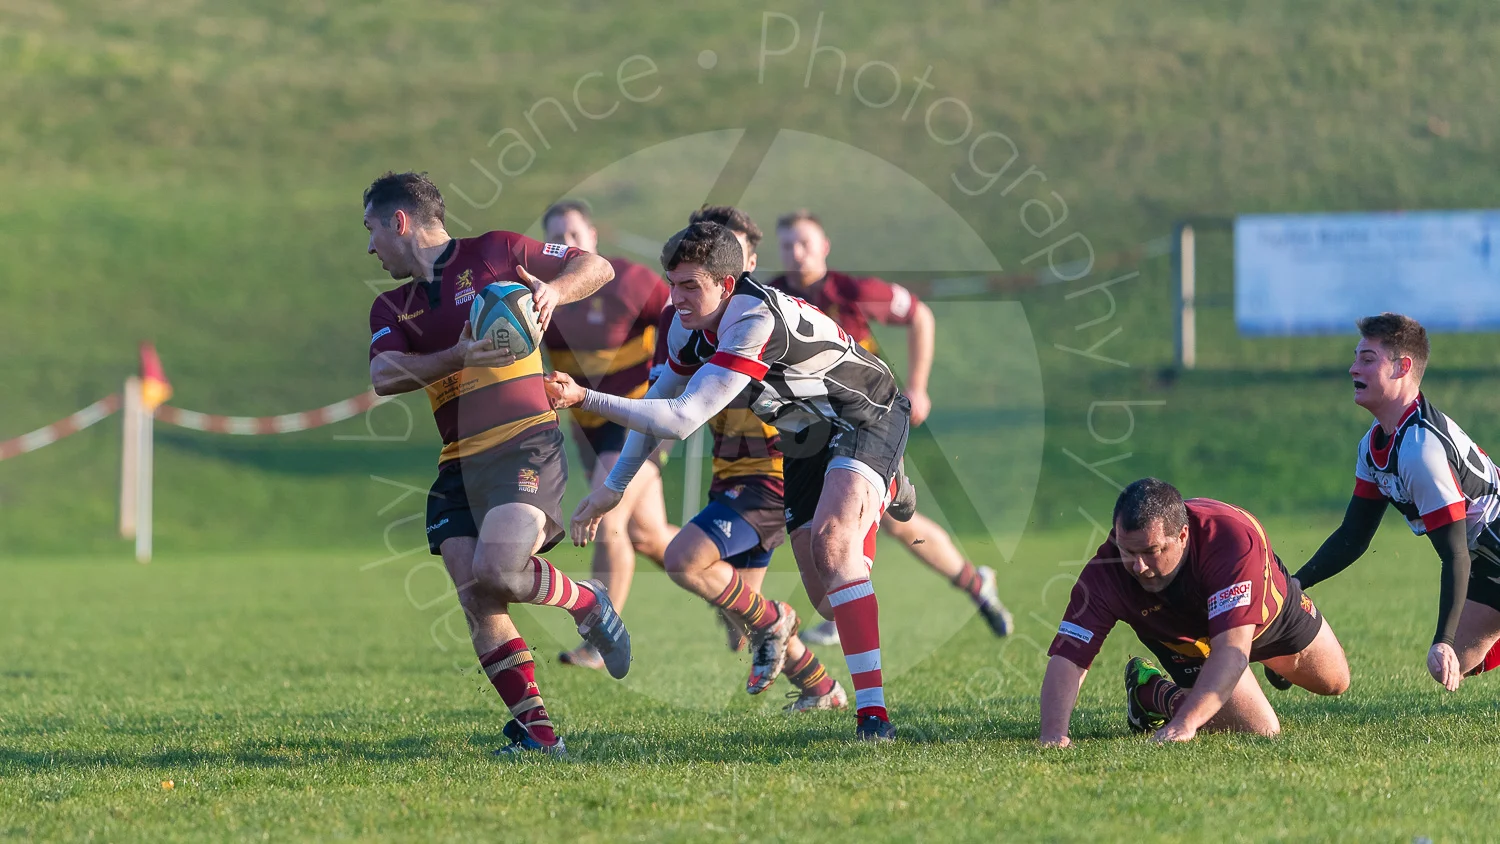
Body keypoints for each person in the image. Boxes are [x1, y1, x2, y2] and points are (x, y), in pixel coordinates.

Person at [549, 220, 913, 740]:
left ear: (726, 282)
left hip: (864, 414)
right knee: (830, 599)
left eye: (690, 285)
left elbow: (681, 419)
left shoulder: (753, 319)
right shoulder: (685, 326)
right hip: (804, 440)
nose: (675, 299)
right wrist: (612, 488)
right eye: (672, 284)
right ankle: (887, 492)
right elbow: (658, 408)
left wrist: (585, 397)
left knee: (836, 546)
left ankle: (873, 717)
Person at [363, 171, 627, 757]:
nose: (370, 246)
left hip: (523, 444)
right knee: (478, 597)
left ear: (398, 222)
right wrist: (459, 352)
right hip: (458, 461)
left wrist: (554, 292)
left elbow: (597, 266)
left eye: (372, 229)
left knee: (501, 570)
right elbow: (383, 377)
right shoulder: (392, 304)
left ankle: (589, 603)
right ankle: (539, 733)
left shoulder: (497, 252)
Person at [767, 210, 1013, 646]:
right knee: (897, 522)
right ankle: (976, 584)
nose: (795, 252)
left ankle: (843, 595)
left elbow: (920, 315)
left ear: (825, 246)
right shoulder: (775, 296)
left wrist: (918, 386)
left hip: (868, 420)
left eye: (804, 242)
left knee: (853, 514)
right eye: (787, 244)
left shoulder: (852, 291)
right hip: (815, 430)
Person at [652, 205, 846, 711]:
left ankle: (789, 633)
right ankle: (822, 688)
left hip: (774, 472)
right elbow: (666, 399)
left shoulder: (769, 317)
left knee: (690, 563)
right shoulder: (685, 319)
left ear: (746, 264)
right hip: (727, 472)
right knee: (745, 619)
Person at [1039, 478, 1350, 746]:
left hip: (1269, 619)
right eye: (1127, 551)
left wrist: (1185, 725)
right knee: (1260, 731)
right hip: (1189, 643)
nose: (1138, 566)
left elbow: (1232, 649)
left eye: (1151, 551)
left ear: (1183, 536)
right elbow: (1069, 656)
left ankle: (1273, 662)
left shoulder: (1228, 541)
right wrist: (1054, 735)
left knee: (1335, 682)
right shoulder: (1106, 570)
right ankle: (1149, 693)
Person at [1293, 313, 1500, 690]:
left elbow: (1454, 554)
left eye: (1368, 359)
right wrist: (1295, 585)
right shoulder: (1375, 445)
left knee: (1451, 654)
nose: (1354, 367)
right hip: (1484, 553)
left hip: (1488, 545)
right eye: (1356, 357)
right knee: (1459, 663)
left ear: (1403, 367)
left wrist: (1443, 641)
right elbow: (1352, 538)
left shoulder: (1420, 449)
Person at [539, 199, 679, 671]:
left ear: (594, 238)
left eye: (575, 235)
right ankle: (731, 590)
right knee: (650, 536)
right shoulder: (538, 296)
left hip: (640, 423)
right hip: (589, 430)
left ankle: (600, 640)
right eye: (557, 238)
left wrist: (677, 386)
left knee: (609, 518)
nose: (568, 245)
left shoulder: (633, 281)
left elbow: (682, 317)